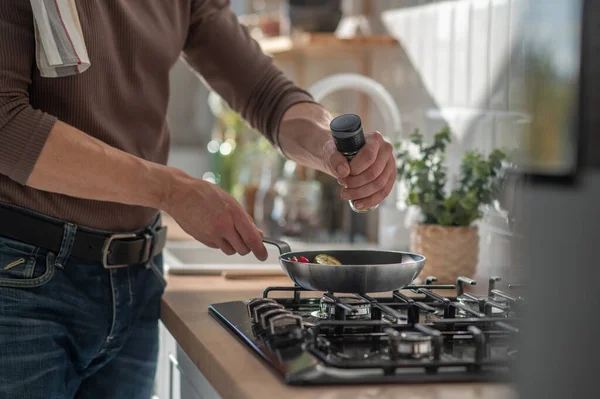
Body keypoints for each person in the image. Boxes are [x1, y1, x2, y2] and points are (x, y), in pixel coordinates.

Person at [0, 1, 396, 398]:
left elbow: (265, 93)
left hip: (137, 277)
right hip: (22, 281)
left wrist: (327, 140)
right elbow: (6, 125)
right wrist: (171, 190)